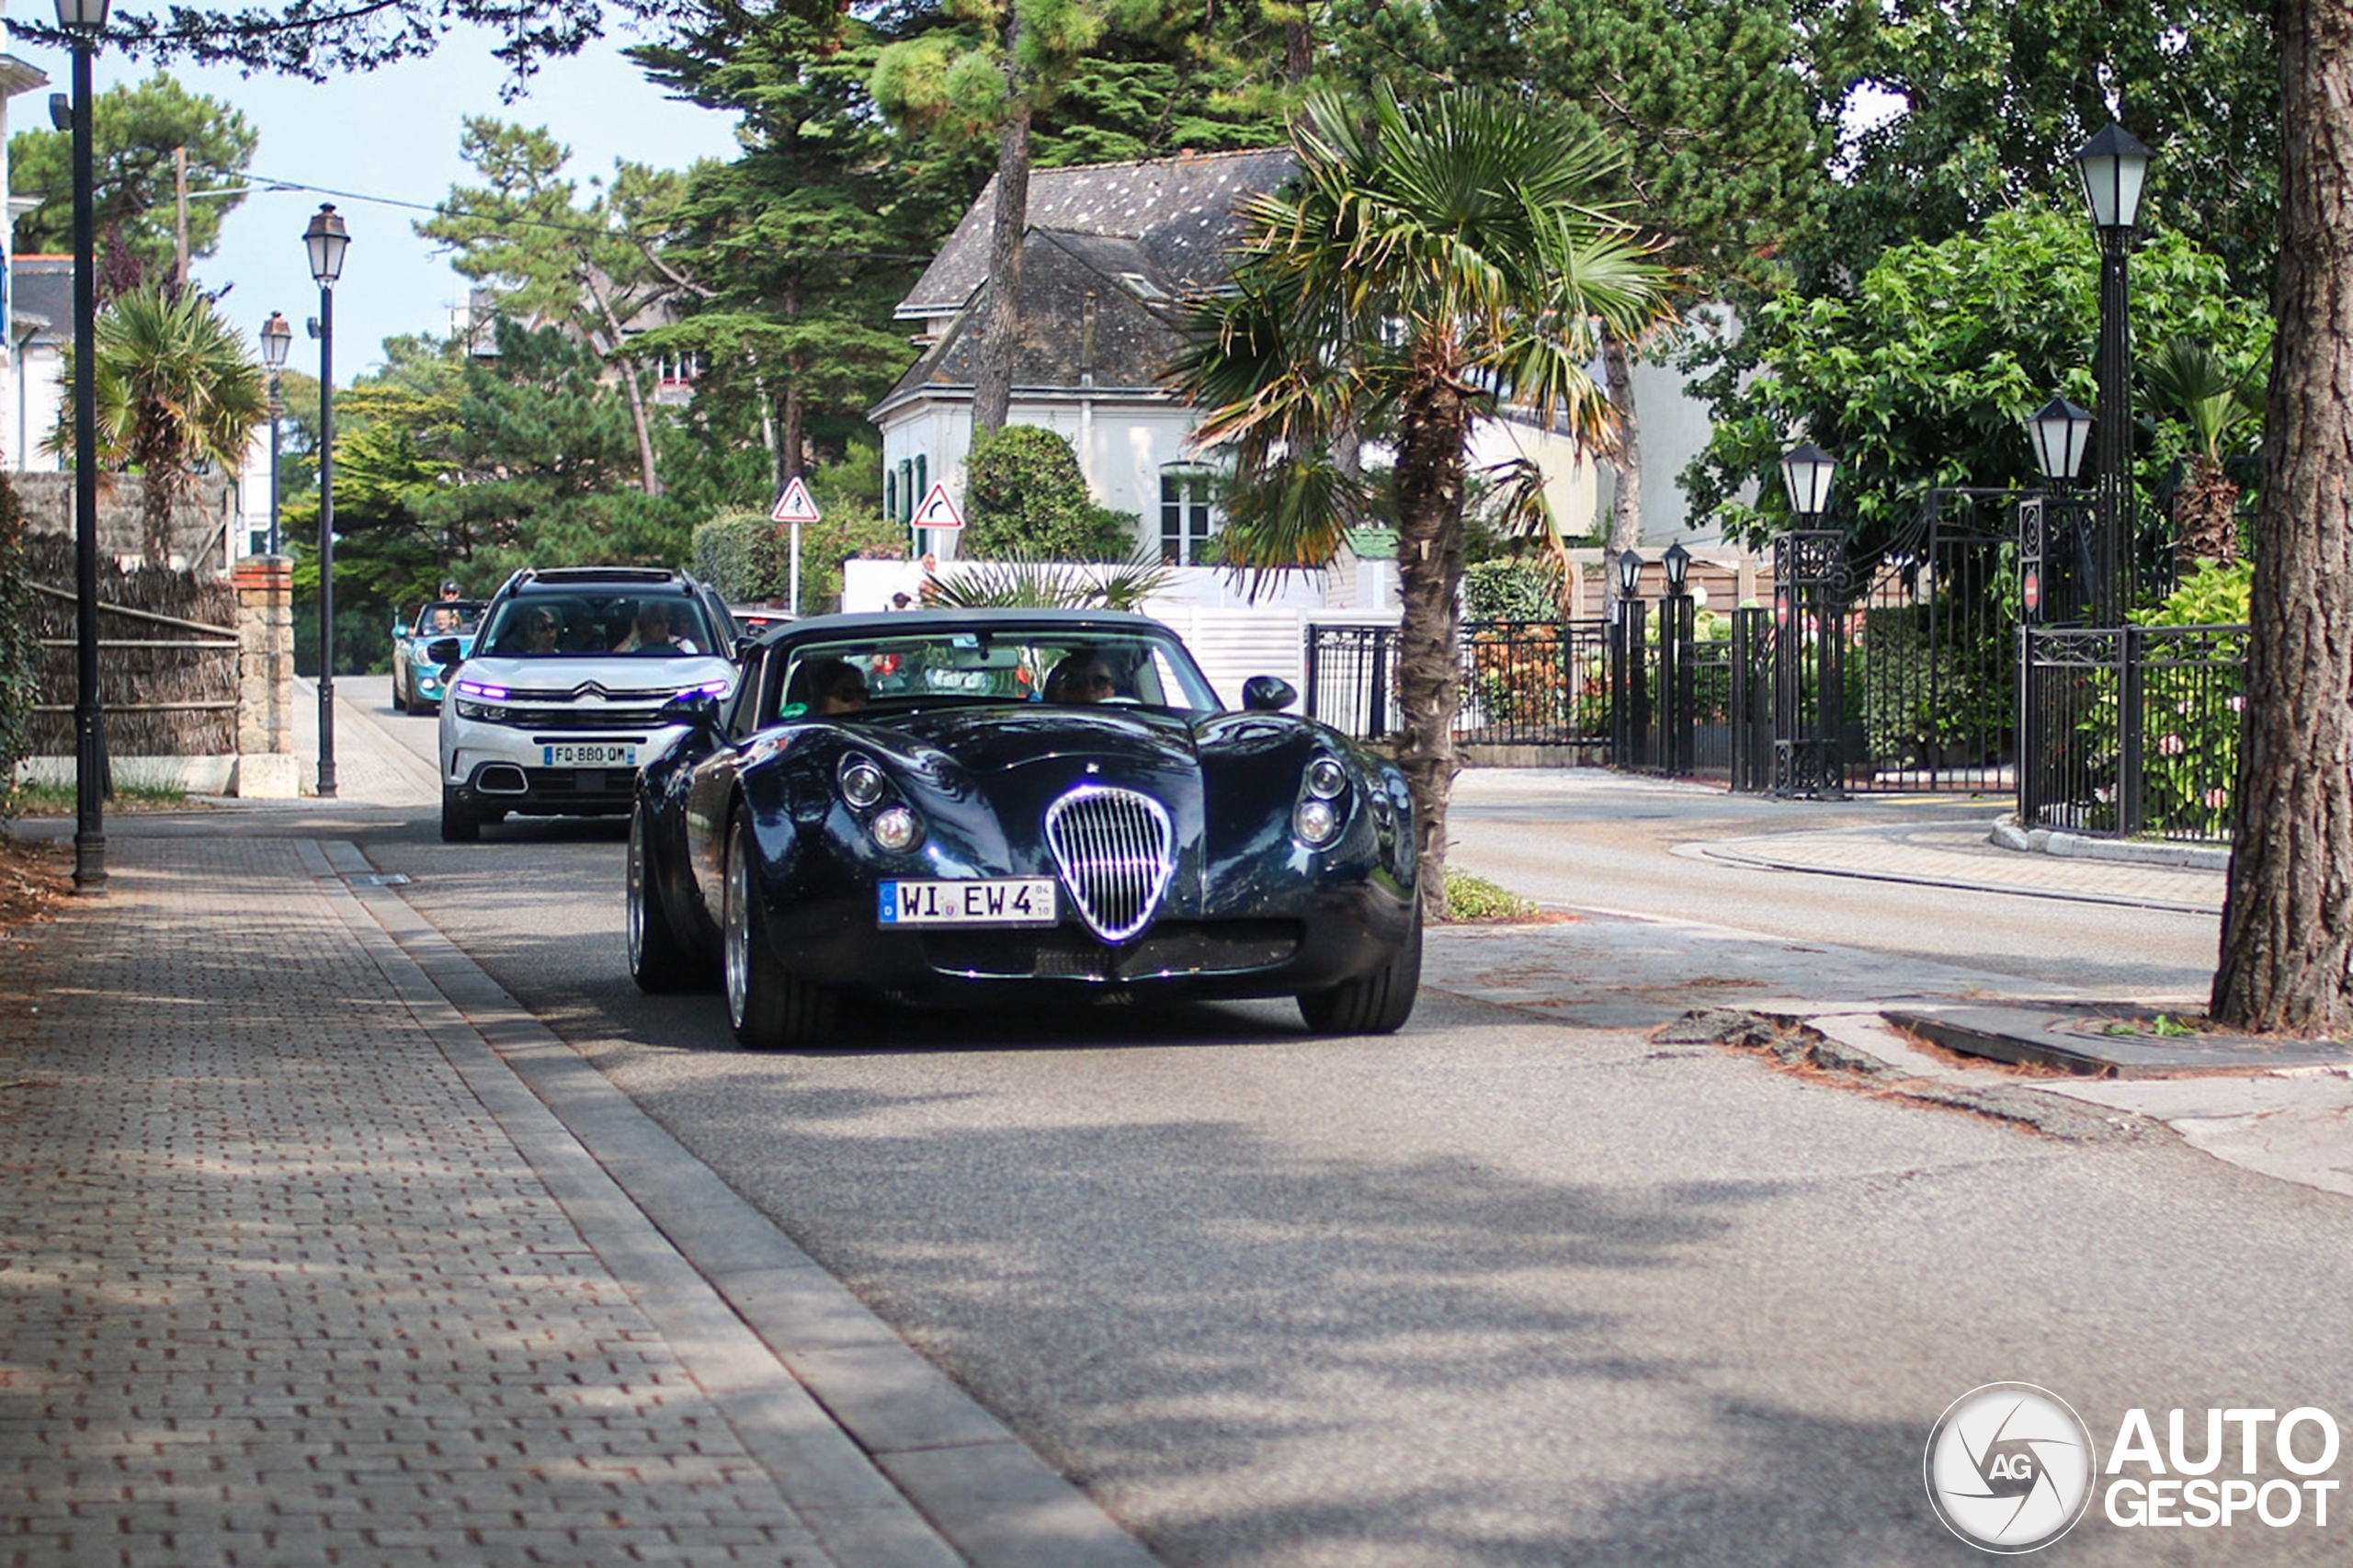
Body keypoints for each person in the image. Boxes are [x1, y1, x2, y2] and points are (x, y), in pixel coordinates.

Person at [614, 601, 698, 654]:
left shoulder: (684, 646)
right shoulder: (632, 647)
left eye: (667, 620)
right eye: (658, 622)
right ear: (644, 622)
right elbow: (612, 664)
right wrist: (632, 637)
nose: (664, 626)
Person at [1045, 649, 1119, 703]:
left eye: (1099, 682)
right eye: (1078, 681)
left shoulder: (1126, 717)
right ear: (1060, 691)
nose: (1090, 688)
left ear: (1113, 688)